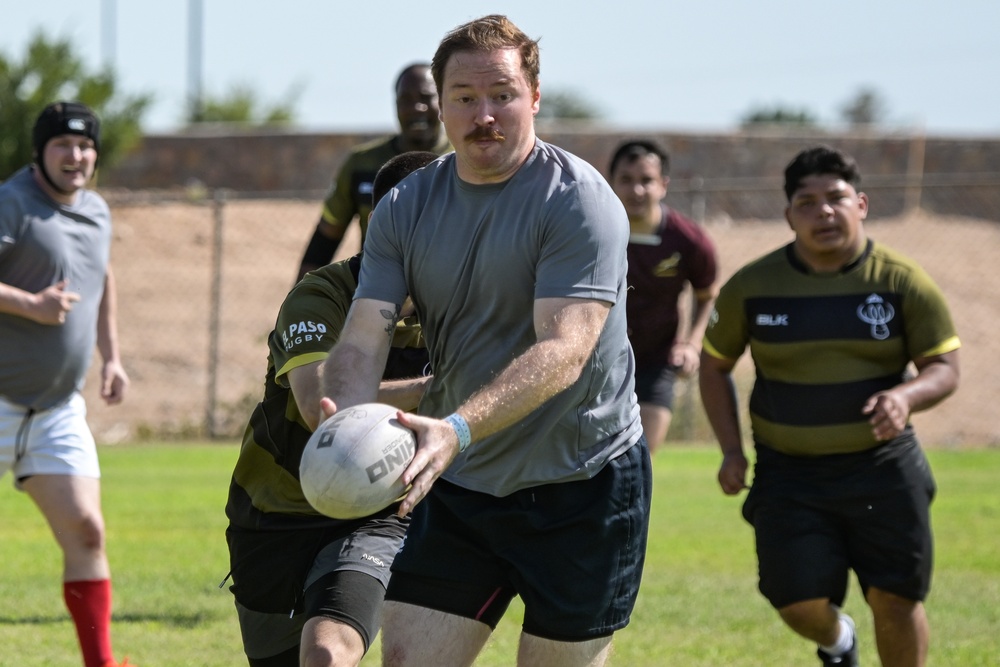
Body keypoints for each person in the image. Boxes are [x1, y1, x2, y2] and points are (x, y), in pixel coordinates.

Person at [318, 14, 651, 667]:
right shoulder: (405, 205)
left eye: (501, 94)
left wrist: (456, 428)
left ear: (534, 96)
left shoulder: (579, 201)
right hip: (466, 482)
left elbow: (564, 350)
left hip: (582, 483)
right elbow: (364, 333)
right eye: (465, 98)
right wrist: (348, 421)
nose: (484, 114)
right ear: (440, 105)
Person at [699, 145, 961, 667]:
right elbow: (714, 366)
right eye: (807, 202)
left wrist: (905, 396)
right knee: (795, 602)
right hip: (789, 474)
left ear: (860, 204)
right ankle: (838, 640)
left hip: (883, 469)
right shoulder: (753, 287)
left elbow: (945, 369)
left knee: (895, 597)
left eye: (836, 198)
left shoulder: (902, 281)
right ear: (788, 214)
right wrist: (731, 450)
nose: (824, 212)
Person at [224, 151, 440, 667]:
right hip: (275, 510)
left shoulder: (458, 304)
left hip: (380, 511)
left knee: (325, 652)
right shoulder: (321, 294)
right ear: (378, 219)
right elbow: (321, 406)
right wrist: (436, 388)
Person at [0, 102, 132, 667]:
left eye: (85, 147)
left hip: (55, 409)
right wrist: (32, 304)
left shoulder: (97, 211)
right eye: (62, 146)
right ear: (41, 151)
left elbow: (101, 280)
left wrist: (112, 357)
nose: (75, 156)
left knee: (86, 531)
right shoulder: (11, 203)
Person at [608, 139, 717, 454]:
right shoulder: (593, 231)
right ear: (611, 183)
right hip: (598, 361)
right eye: (626, 180)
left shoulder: (687, 240)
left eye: (646, 180)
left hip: (656, 362)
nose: (637, 190)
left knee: (640, 453)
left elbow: (707, 294)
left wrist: (692, 345)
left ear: (663, 185)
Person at [295, 63, 451, 281]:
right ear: (395, 104)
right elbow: (326, 237)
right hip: (377, 293)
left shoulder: (464, 160)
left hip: (449, 297)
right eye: (406, 99)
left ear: (443, 101)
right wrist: (299, 301)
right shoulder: (361, 163)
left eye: (425, 97)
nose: (417, 107)